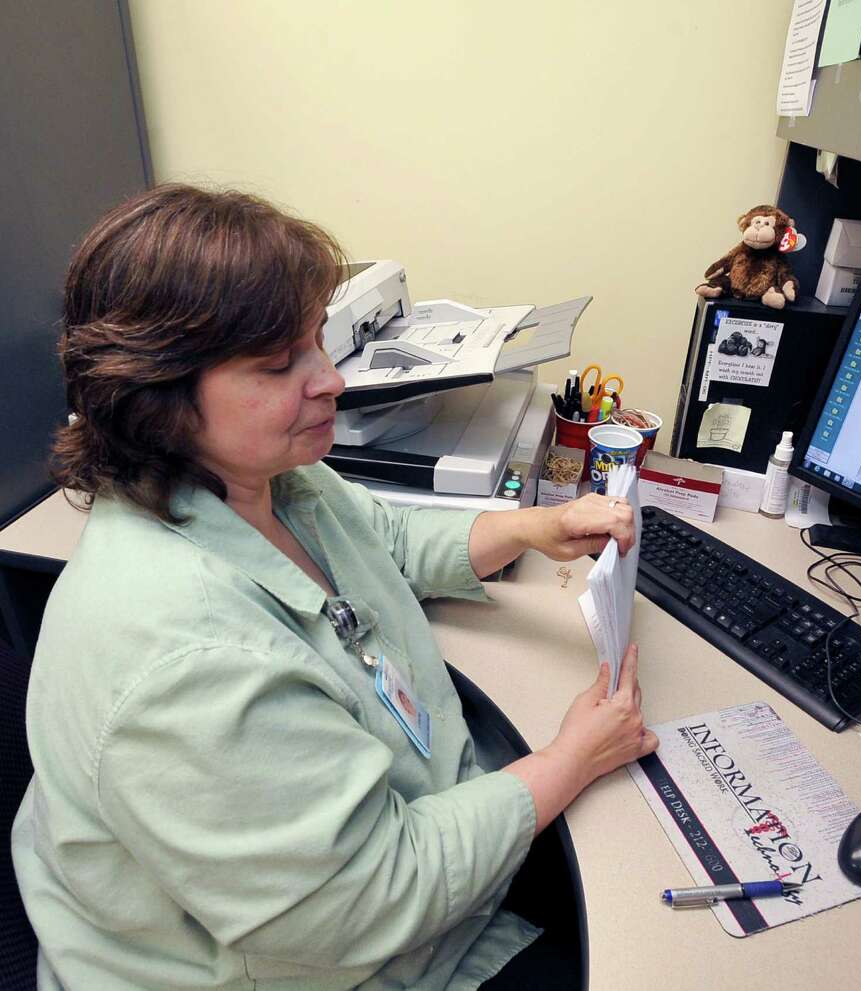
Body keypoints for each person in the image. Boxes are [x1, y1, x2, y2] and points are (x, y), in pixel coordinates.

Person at [11, 184, 658, 990]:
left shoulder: (265, 480)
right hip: (335, 954)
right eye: (281, 364)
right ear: (157, 397)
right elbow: (372, 894)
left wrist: (528, 528)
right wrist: (570, 757)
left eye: (319, 342)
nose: (331, 382)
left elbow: (380, 537)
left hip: (402, 867)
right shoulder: (185, 658)